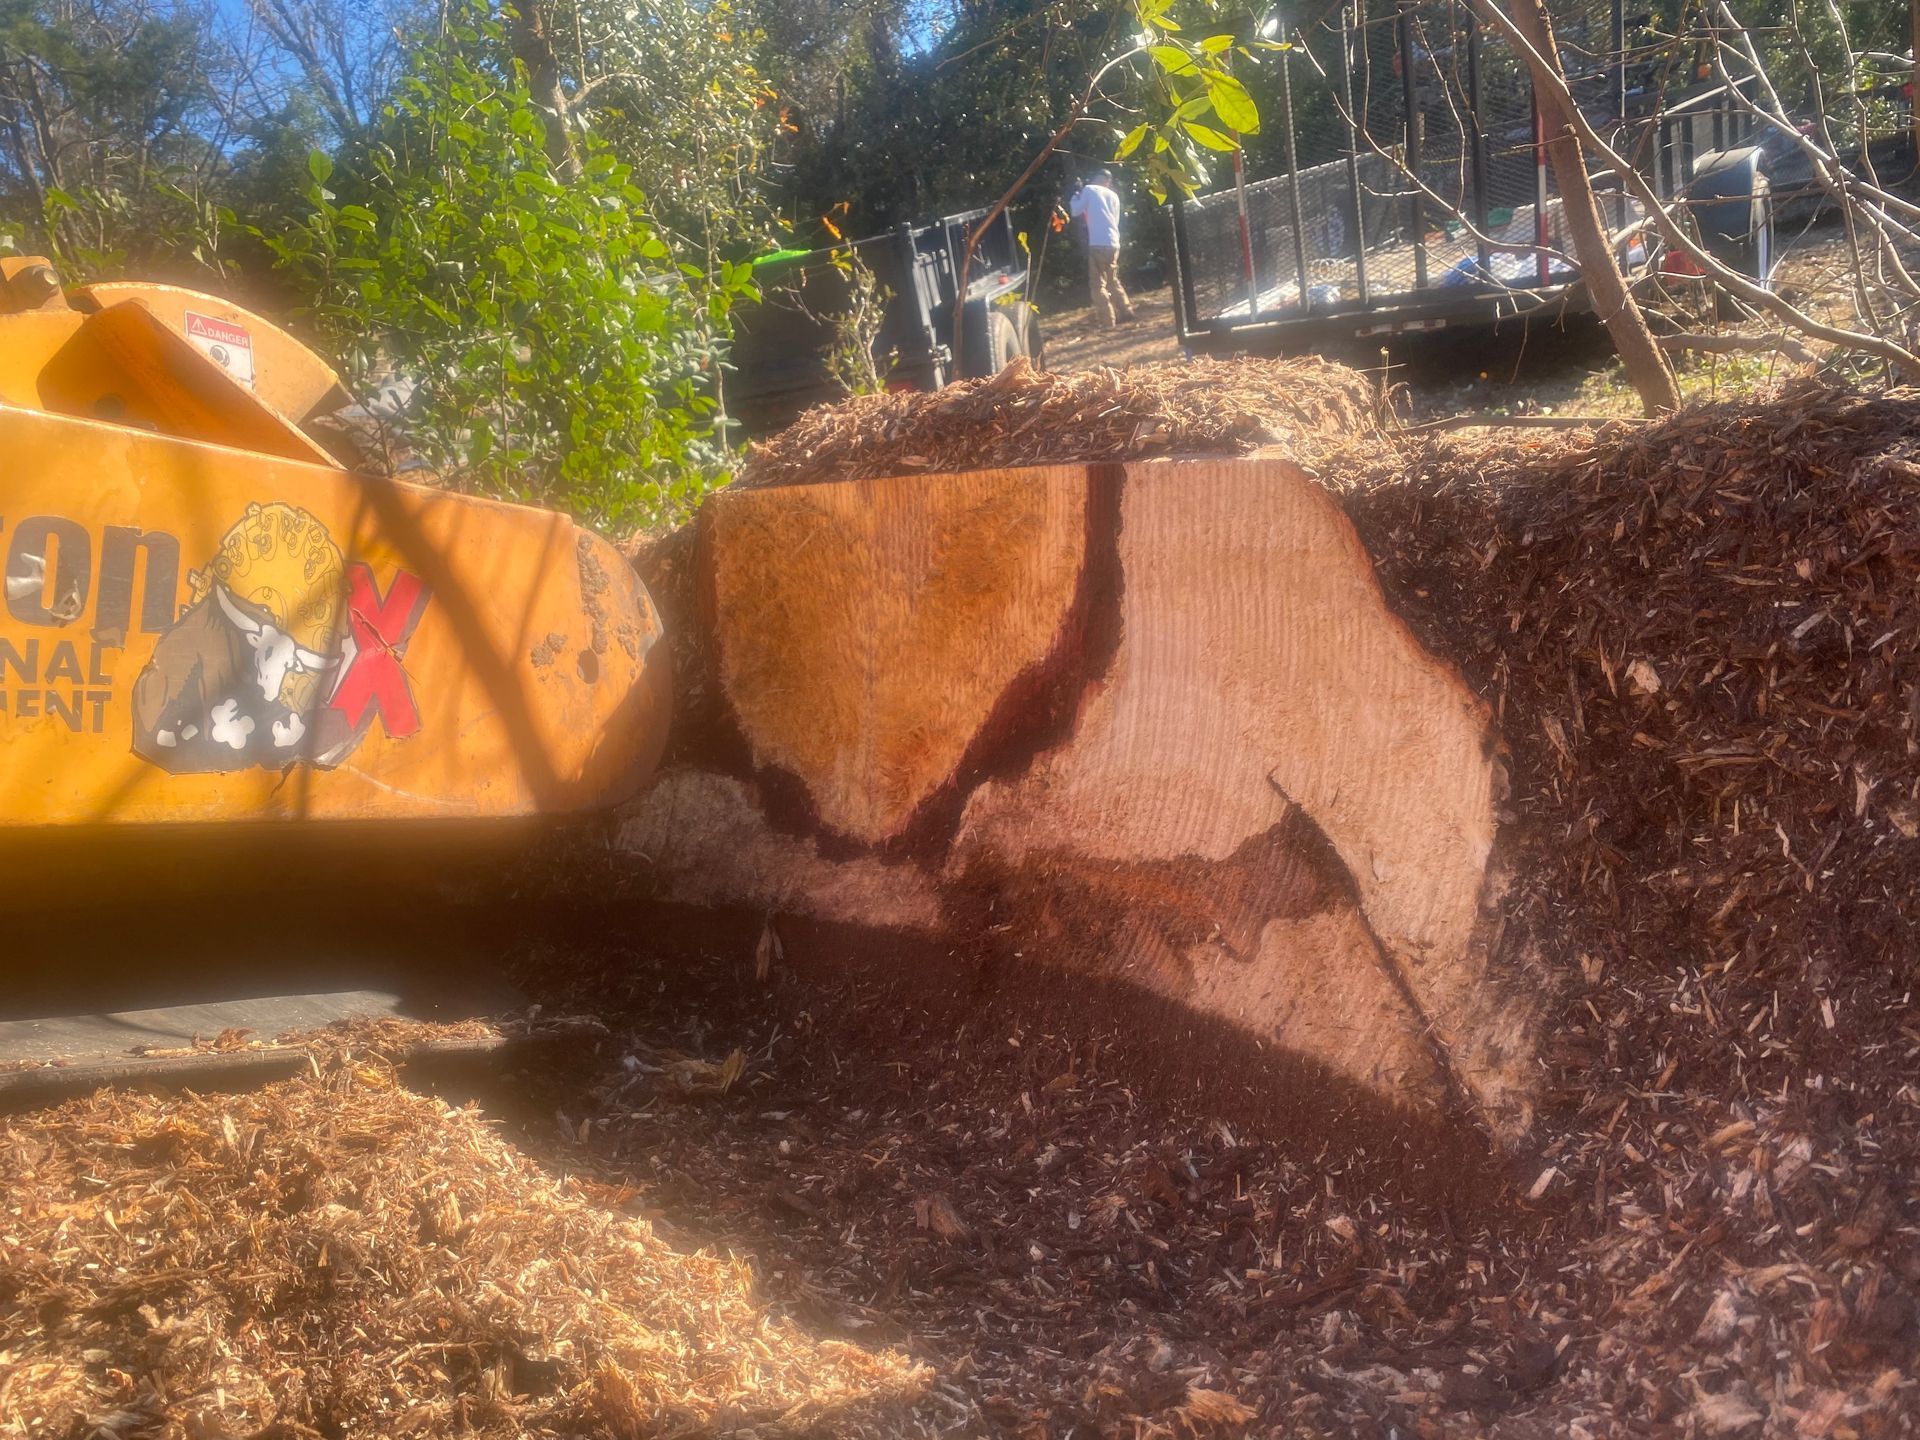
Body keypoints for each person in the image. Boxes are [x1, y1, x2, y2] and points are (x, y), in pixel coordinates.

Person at [1069, 168, 1137, 327]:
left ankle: (1108, 321)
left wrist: (1074, 195)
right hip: (1113, 242)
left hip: (1097, 243)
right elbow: (1115, 219)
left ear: (1095, 178)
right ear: (1108, 182)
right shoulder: (1114, 196)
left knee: (1097, 284)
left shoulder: (1089, 189)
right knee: (1112, 279)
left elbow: (1075, 210)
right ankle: (1126, 310)